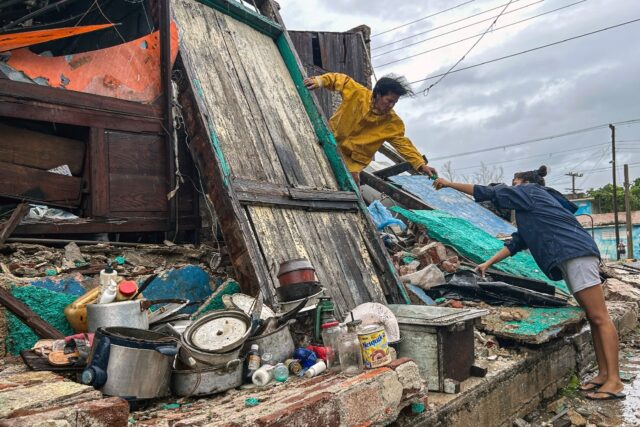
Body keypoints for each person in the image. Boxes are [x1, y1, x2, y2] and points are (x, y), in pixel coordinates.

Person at [433, 165, 625, 401]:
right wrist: (487, 263)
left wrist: (448, 183)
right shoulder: (533, 209)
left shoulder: (530, 191)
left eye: (514, 182)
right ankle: (604, 374)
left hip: (574, 254)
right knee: (594, 318)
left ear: (522, 182)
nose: (510, 187)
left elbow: (489, 192)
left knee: (600, 317)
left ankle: (614, 382)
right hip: (570, 255)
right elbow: (516, 243)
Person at [303, 73, 436, 185]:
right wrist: (319, 81)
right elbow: (340, 79)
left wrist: (420, 164)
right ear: (377, 94)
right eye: (389, 100)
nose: (391, 105)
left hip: (352, 160)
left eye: (394, 103)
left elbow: (404, 145)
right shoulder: (358, 94)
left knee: (352, 185)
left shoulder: (392, 123)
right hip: (330, 140)